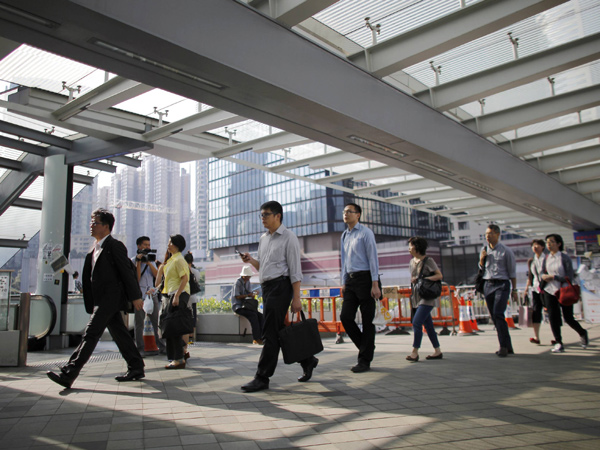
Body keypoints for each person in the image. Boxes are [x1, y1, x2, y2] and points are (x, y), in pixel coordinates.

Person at [46, 209, 144, 389]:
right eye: (91, 222)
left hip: (110, 299)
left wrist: (136, 296)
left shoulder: (115, 246)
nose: (91, 226)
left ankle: (69, 373)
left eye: (95, 223)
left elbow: (126, 272)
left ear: (106, 227)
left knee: (90, 334)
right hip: (102, 300)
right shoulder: (95, 249)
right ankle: (136, 366)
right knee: (120, 334)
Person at [239, 201, 318, 392]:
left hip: (281, 287)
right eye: (261, 215)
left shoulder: (289, 237)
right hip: (267, 288)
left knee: (269, 332)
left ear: (278, 216)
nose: (263, 218)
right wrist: (251, 261)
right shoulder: (263, 239)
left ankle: (262, 377)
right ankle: (307, 359)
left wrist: (296, 298)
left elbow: (295, 270)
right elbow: (263, 268)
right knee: (277, 330)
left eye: (266, 214)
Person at [340, 203, 381, 373]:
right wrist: (343, 282)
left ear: (358, 215)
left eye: (349, 212)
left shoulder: (365, 233)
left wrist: (375, 283)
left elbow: (373, 258)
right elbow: (344, 260)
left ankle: (364, 360)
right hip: (350, 280)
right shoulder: (344, 235)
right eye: (344, 212)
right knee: (346, 317)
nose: (346, 214)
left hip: (366, 280)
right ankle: (367, 348)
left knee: (367, 321)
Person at [541, 233, 588, 353]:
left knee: (568, 318)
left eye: (551, 241)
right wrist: (544, 277)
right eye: (547, 242)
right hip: (549, 290)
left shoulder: (564, 258)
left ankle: (582, 332)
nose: (549, 244)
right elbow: (542, 272)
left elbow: (569, 277)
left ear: (559, 244)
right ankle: (558, 342)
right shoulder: (546, 258)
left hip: (563, 290)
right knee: (553, 317)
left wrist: (554, 277)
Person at [479, 224, 518, 357]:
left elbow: (512, 272)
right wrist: (482, 258)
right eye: (486, 234)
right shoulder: (484, 250)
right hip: (488, 284)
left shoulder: (506, 251)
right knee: (494, 316)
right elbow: (480, 267)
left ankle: (503, 346)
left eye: (490, 233)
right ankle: (508, 346)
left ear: (497, 234)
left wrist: (514, 290)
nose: (487, 236)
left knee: (498, 313)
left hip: (502, 284)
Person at [155, 234, 190, 369]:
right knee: (169, 327)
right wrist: (160, 270)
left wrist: (177, 295)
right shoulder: (170, 260)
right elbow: (159, 282)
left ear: (177, 245)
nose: (168, 244)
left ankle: (178, 358)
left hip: (177, 295)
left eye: (171, 242)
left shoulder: (179, 260)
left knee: (173, 327)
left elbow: (185, 278)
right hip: (168, 294)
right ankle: (181, 353)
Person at [406, 237, 443, 362]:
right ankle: (437, 351)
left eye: (410, 246)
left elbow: (439, 275)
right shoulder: (412, 262)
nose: (409, 248)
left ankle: (415, 352)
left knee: (416, 323)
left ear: (416, 247)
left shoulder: (428, 261)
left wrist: (425, 279)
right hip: (416, 297)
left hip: (427, 297)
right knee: (429, 325)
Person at [133, 236, 166, 356]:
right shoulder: (133, 260)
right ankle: (140, 348)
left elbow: (157, 276)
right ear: (139, 246)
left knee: (156, 322)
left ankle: (161, 346)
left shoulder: (151, 260)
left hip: (152, 294)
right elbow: (137, 278)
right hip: (140, 295)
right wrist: (138, 262)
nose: (147, 247)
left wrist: (148, 263)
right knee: (139, 323)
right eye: (145, 245)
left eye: (148, 245)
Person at [232, 265, 264, 345]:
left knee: (260, 316)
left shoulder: (248, 282)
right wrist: (248, 295)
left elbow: (249, 294)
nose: (249, 277)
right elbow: (237, 296)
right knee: (253, 316)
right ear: (244, 275)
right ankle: (256, 338)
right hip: (238, 306)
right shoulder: (238, 282)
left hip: (246, 306)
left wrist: (253, 294)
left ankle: (261, 337)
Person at [524, 239, 546, 345]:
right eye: (533, 245)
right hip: (535, 289)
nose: (535, 247)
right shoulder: (531, 261)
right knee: (536, 312)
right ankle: (536, 336)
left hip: (547, 289)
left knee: (552, 312)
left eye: (537, 245)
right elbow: (530, 277)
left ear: (542, 247)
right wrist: (526, 289)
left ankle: (557, 337)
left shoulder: (547, 259)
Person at [183, 251, 199, 350]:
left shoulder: (183, 270)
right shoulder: (195, 271)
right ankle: (191, 337)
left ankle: (185, 338)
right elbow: (197, 282)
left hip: (184, 297)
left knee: (185, 318)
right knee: (192, 318)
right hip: (193, 297)